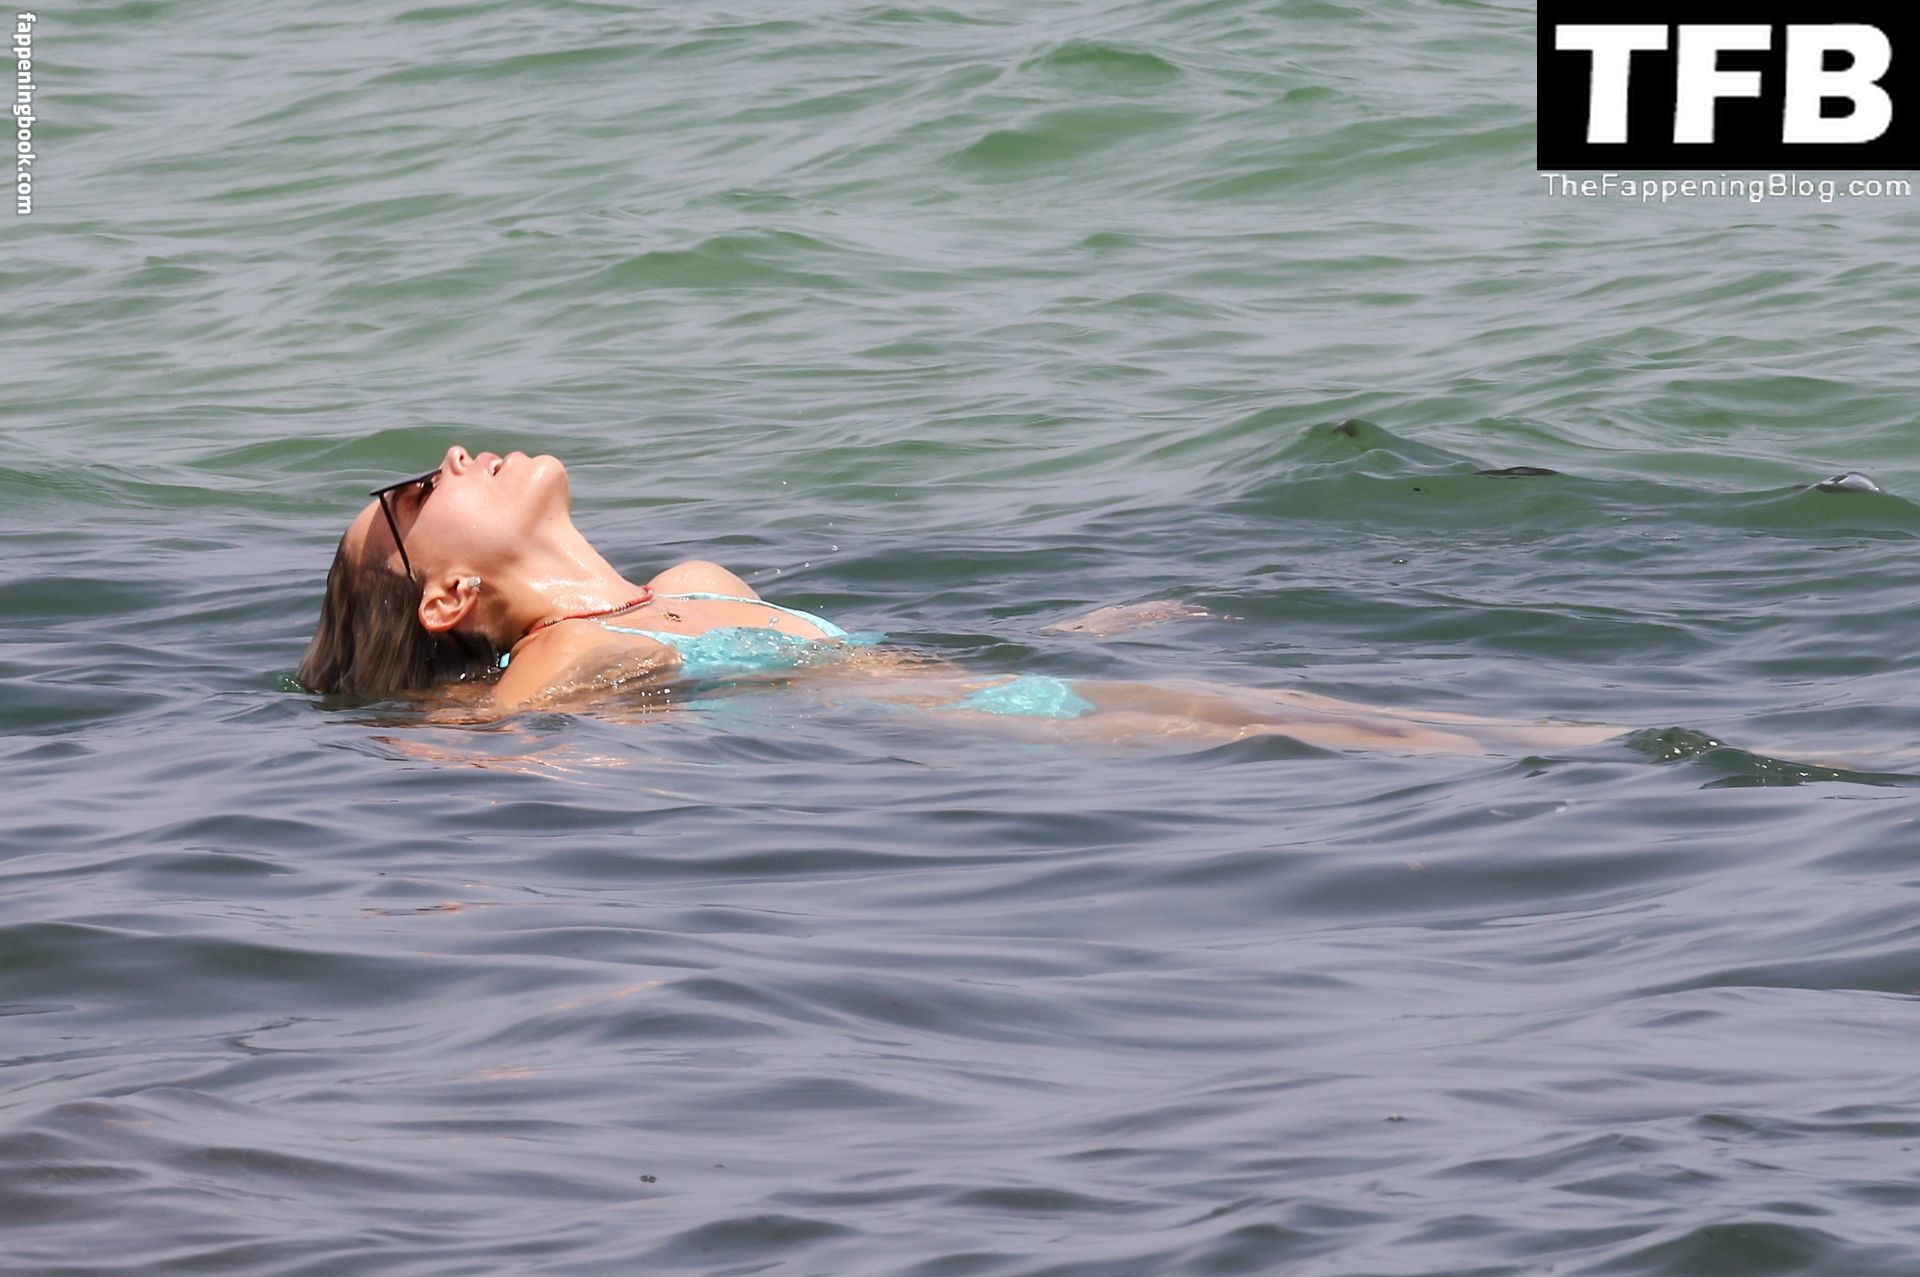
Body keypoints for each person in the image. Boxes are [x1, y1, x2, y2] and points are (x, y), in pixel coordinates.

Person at [297, 446, 1626, 753]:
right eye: (412, 489)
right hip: (1006, 736)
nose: (453, 454)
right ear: (446, 596)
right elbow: (462, 737)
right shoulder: (563, 665)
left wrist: (1081, 630)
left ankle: (1607, 751)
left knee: (1345, 720)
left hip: (1020, 689)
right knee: (1352, 732)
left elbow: (874, 650)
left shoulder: (696, 585)